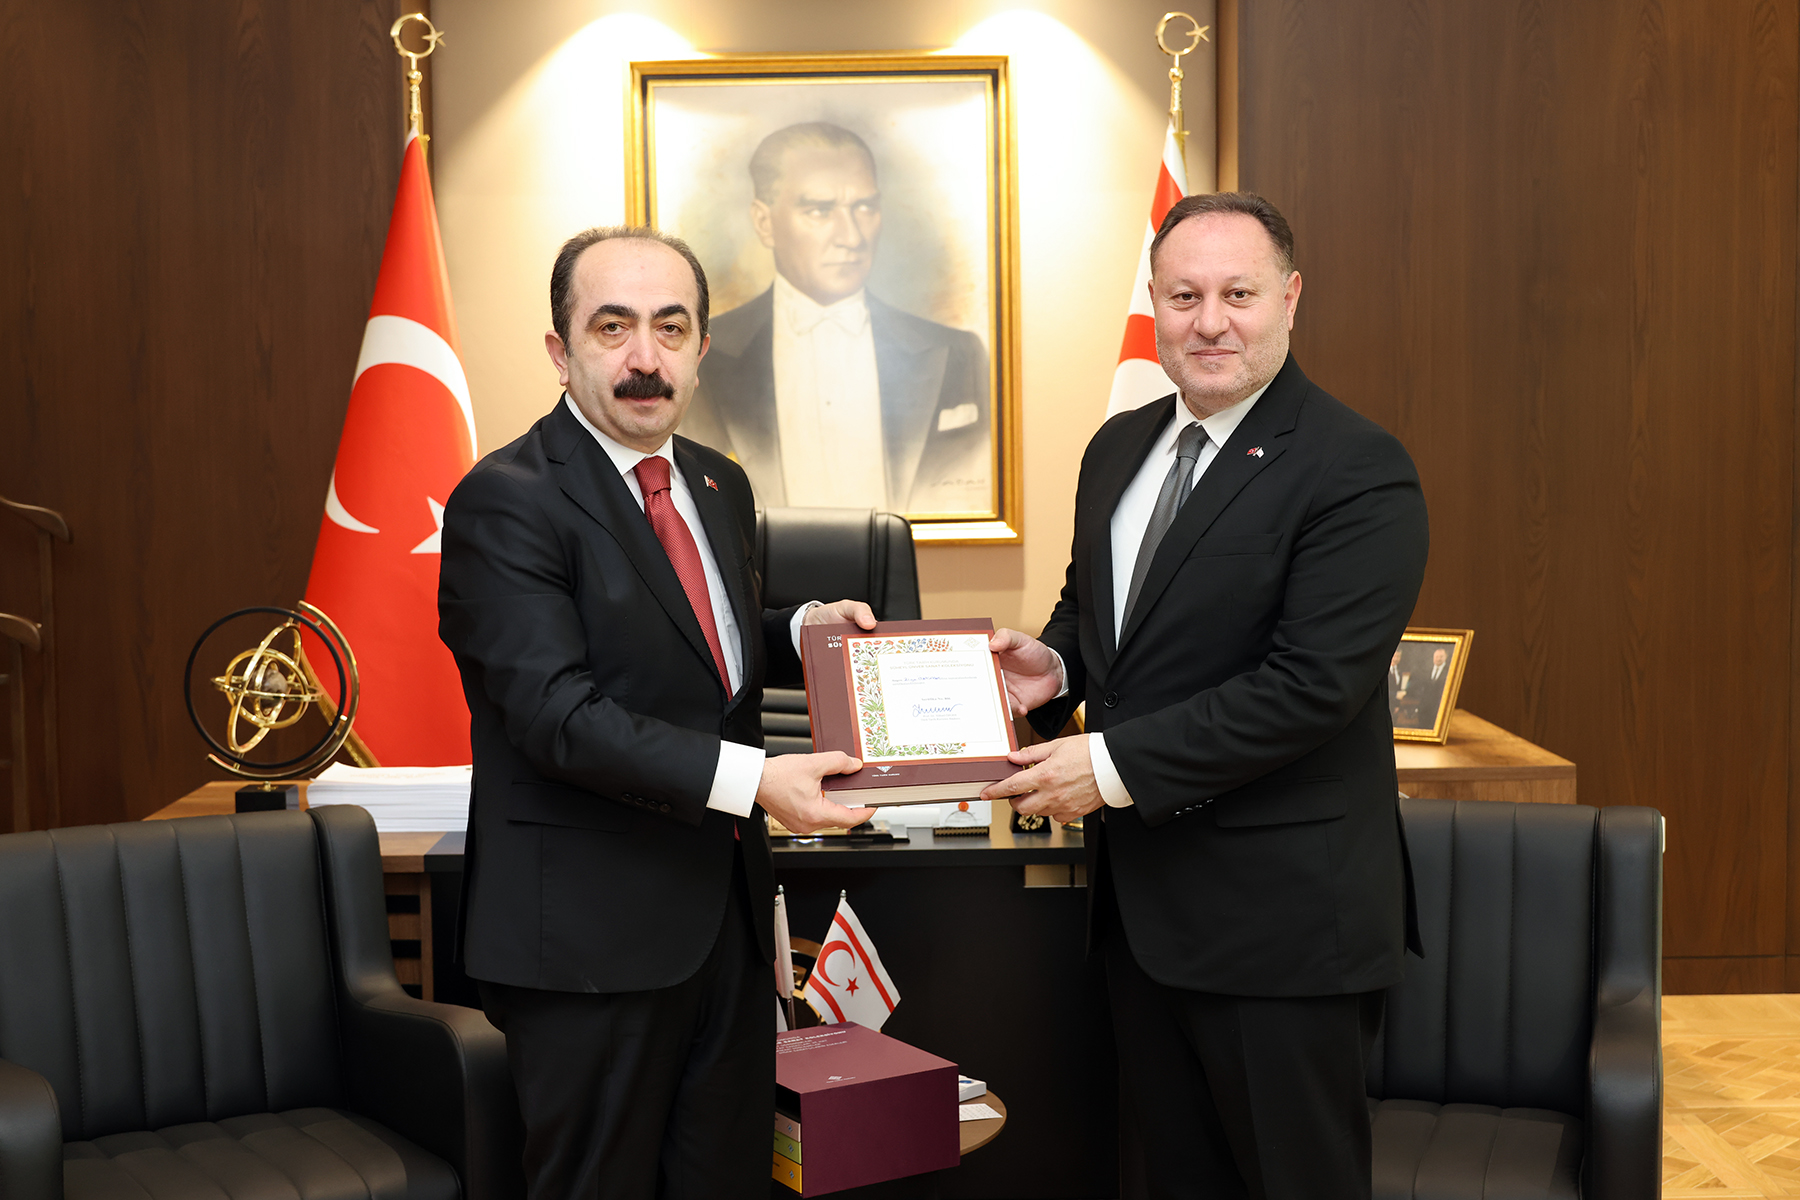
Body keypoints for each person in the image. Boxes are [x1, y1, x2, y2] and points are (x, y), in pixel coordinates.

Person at [979, 193, 1429, 1200]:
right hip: (1143, 917)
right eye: (1184, 297)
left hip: (1284, 930)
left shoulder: (1357, 467)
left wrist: (1106, 766)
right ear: (1155, 304)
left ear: (1290, 299)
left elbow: (1310, 688)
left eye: (1239, 294)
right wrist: (1056, 667)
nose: (1210, 322)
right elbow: (1096, 614)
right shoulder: (1118, 448)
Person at [437, 225, 877, 1199]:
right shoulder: (505, 501)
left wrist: (803, 629)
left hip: (722, 927)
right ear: (560, 351)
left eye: (671, 328)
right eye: (614, 327)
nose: (646, 357)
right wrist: (756, 780)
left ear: (702, 347)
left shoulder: (717, 482)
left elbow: (694, 639)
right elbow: (556, 713)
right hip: (588, 944)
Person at [679, 121, 992, 515]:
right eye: (820, 210)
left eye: (865, 207)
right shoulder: (703, 357)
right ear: (764, 223)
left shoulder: (957, 352)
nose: (852, 237)